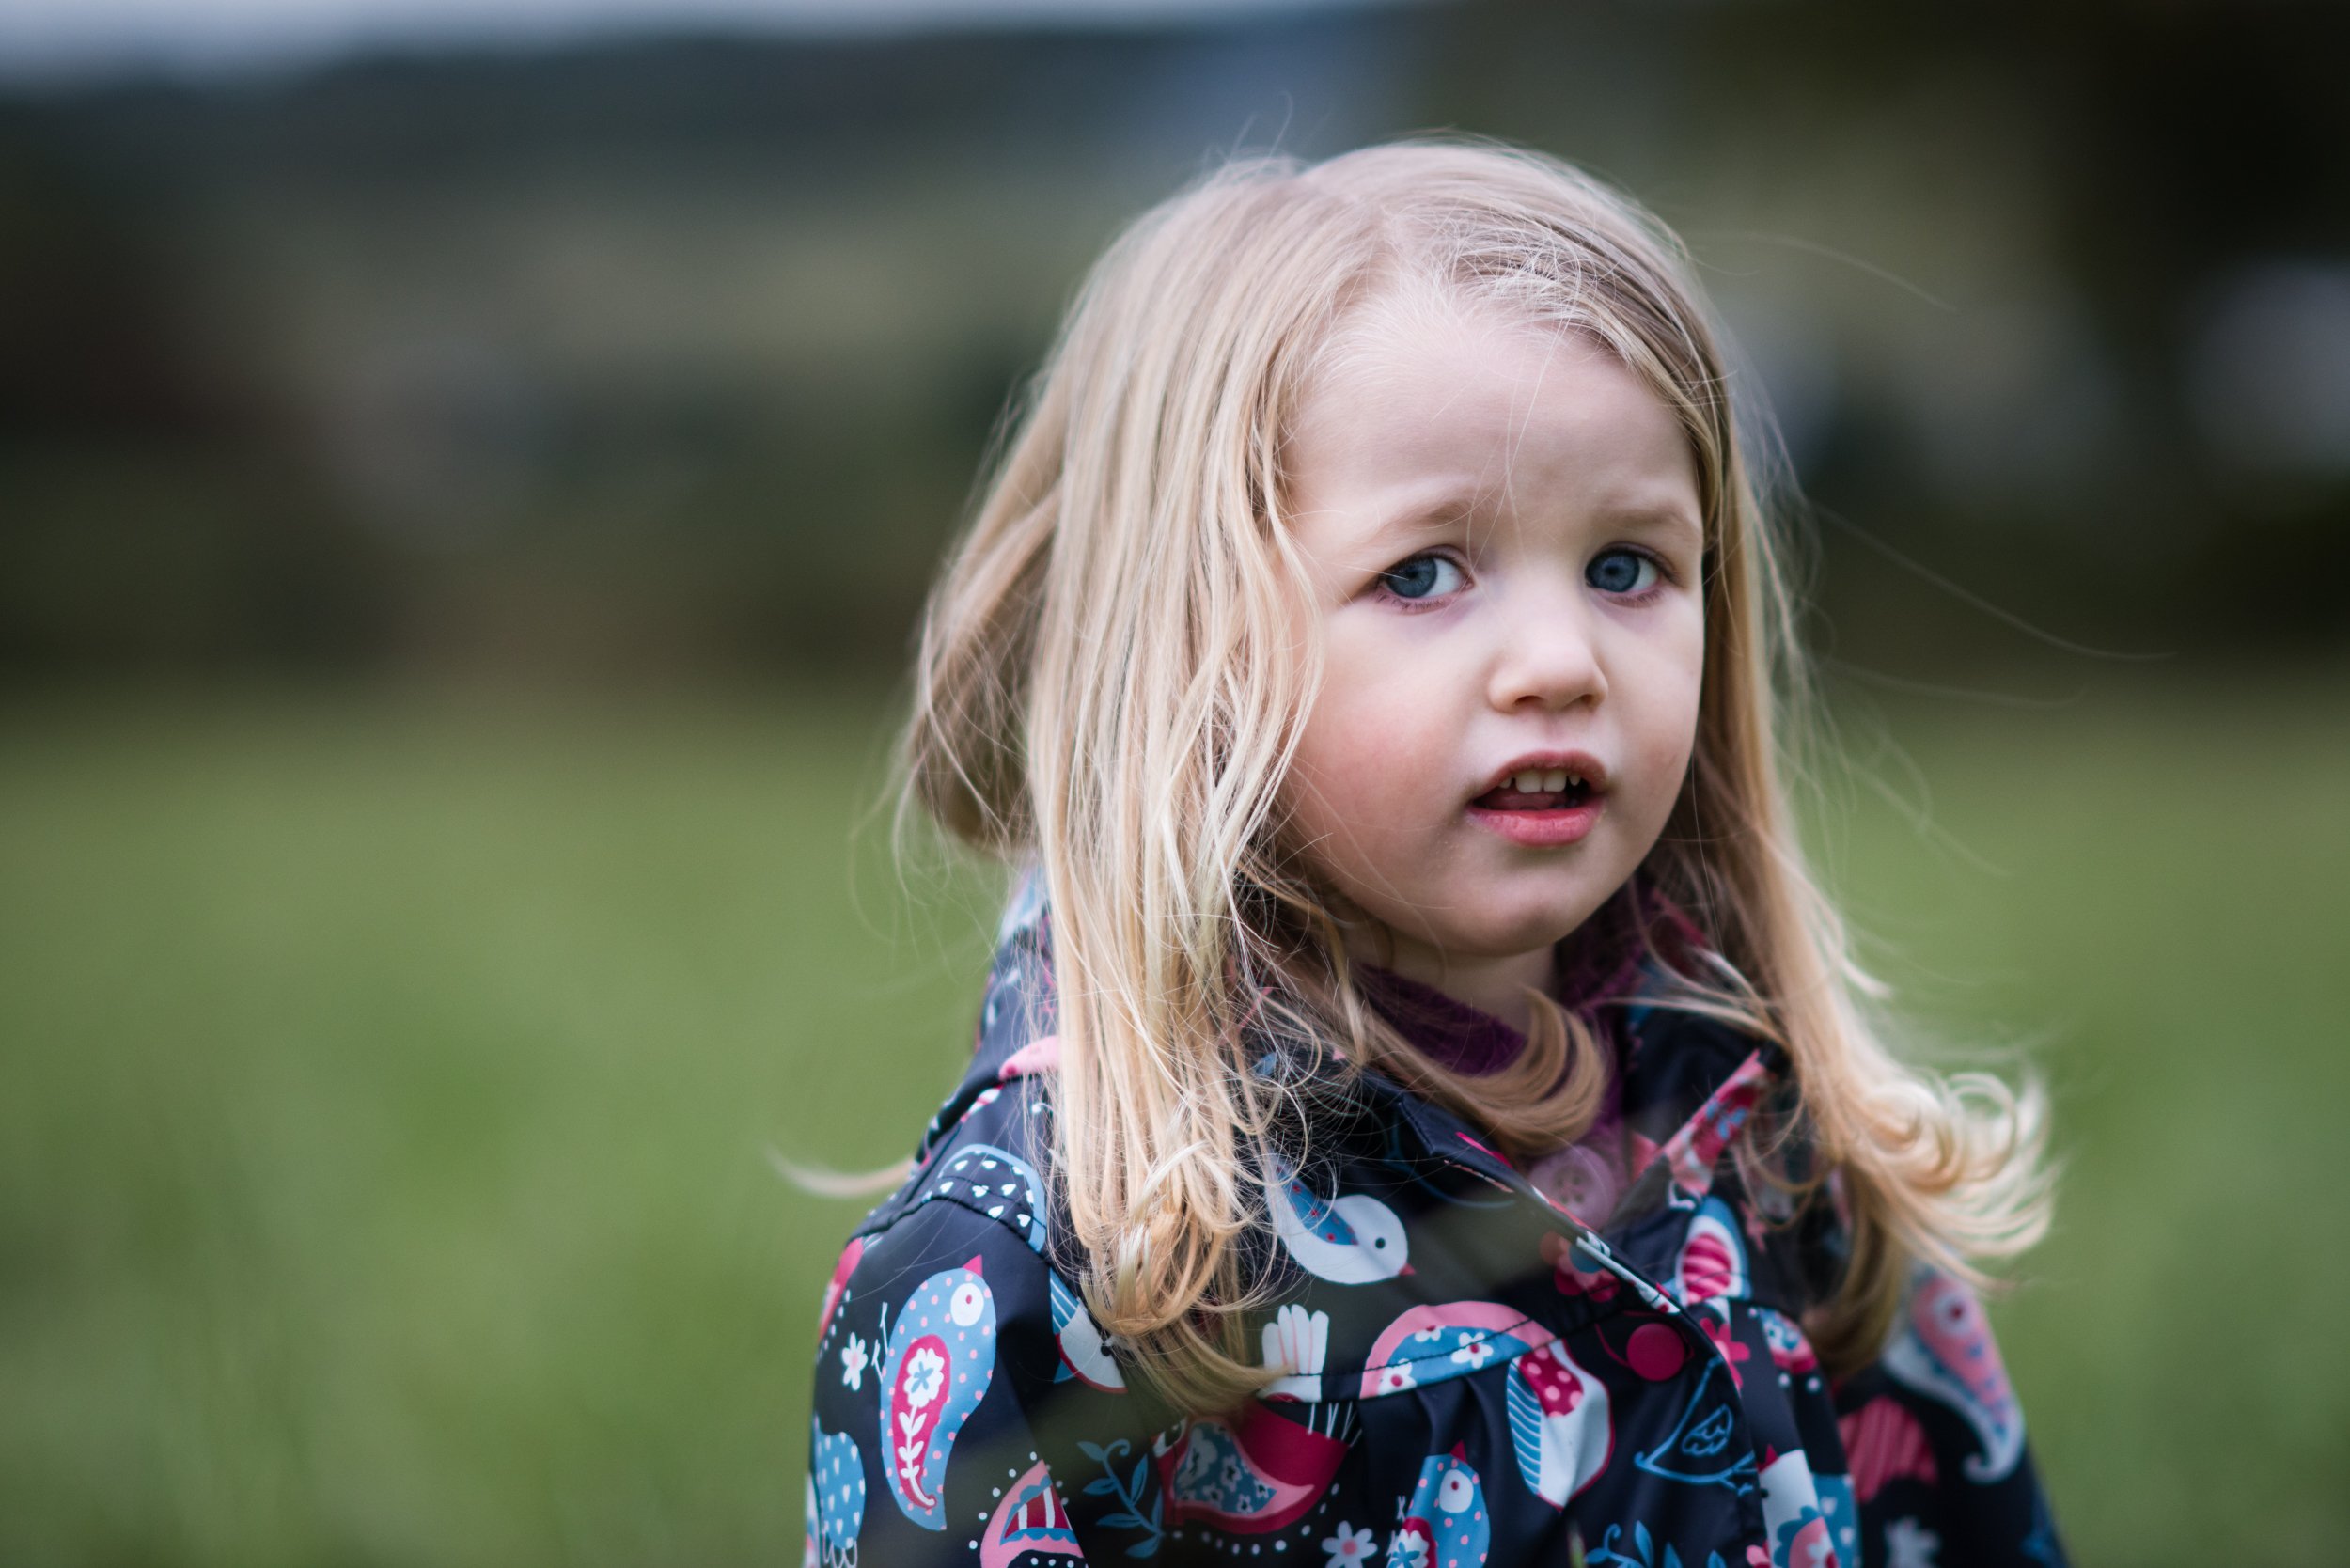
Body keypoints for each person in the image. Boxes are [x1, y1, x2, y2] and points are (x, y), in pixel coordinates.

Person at [804, 138, 2063, 1568]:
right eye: (1422, 573)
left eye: (1626, 565)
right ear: (1188, 651)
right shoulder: (1044, 1270)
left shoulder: (1767, 1132)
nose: (1559, 660)